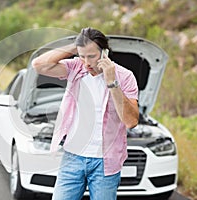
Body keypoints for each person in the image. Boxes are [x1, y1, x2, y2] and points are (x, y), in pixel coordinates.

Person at [32, 27, 139, 200]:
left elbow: (131, 121)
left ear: (105, 53)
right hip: (73, 157)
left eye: (92, 56)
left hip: (105, 162)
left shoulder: (125, 77)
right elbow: (38, 65)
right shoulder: (76, 68)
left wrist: (112, 82)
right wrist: (75, 47)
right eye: (82, 56)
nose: (86, 63)